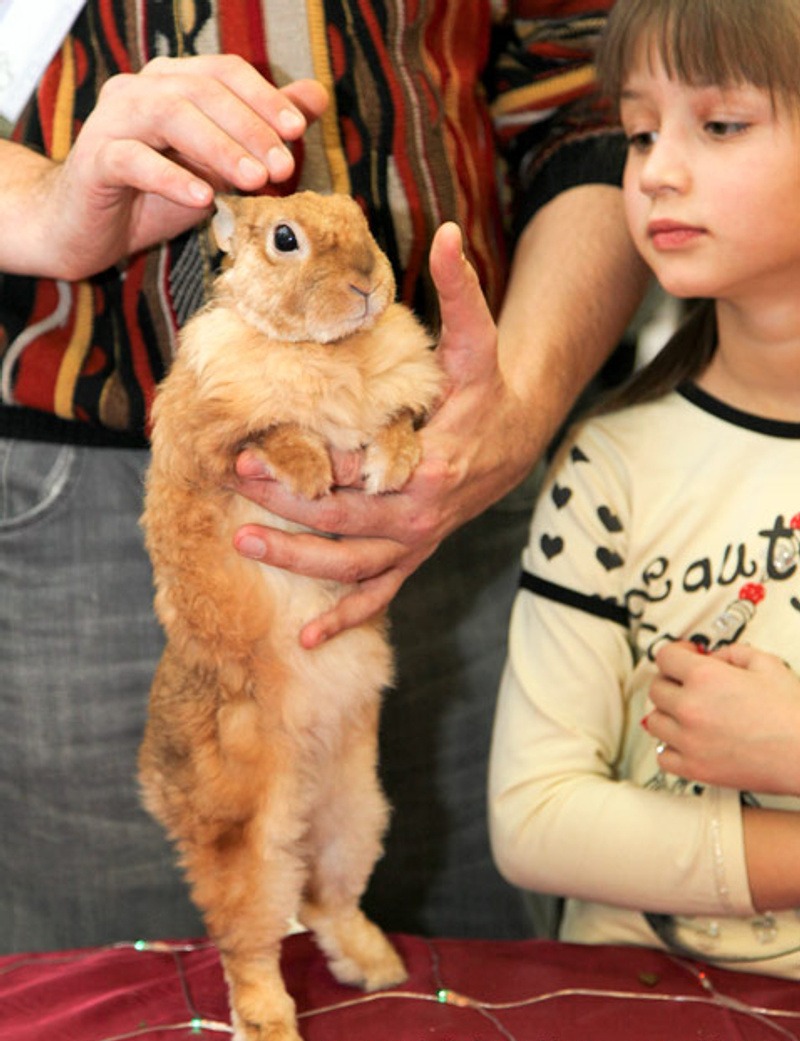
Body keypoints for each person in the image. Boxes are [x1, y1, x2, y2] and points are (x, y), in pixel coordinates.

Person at [0, 1, 648, 953]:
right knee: (119, 973)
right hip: (83, 495)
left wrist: (521, 406)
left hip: (452, 473)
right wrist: (38, 206)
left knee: (467, 955)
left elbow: (592, 92)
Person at [489, 0, 800, 977]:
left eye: (720, 124)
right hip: (638, 1013)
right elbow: (535, 818)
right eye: (637, 132)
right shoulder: (608, 466)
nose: (656, 170)